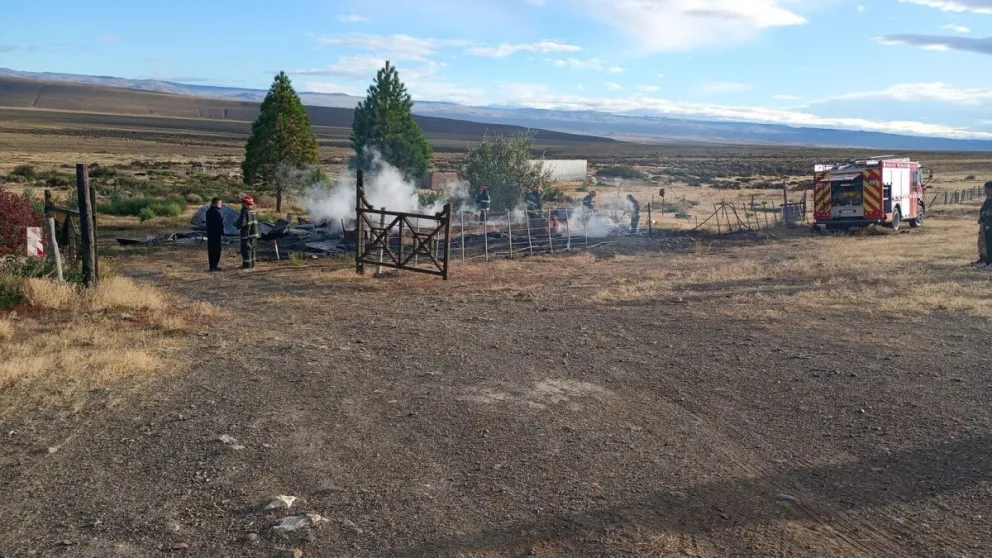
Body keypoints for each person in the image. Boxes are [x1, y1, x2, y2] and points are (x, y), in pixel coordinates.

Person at [235, 195, 260, 270]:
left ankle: (247, 267)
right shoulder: (255, 212)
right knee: (252, 250)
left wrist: (235, 223)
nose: (241, 204)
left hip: (247, 235)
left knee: (246, 251)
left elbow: (241, 223)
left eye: (242, 203)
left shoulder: (245, 212)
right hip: (254, 235)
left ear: (245, 203)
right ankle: (252, 266)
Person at [205, 197, 225, 271]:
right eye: (220, 203)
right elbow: (220, 224)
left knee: (211, 250)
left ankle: (213, 266)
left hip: (210, 233)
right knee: (216, 250)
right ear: (216, 203)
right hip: (216, 234)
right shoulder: (216, 212)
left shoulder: (209, 211)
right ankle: (214, 266)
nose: (221, 205)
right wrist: (222, 233)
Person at [977, 181, 992, 266]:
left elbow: (989, 212)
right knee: (983, 241)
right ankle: (985, 260)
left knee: (988, 243)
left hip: (990, 224)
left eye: (986, 189)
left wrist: (985, 213)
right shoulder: (988, 198)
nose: (985, 190)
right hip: (985, 223)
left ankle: (988, 261)